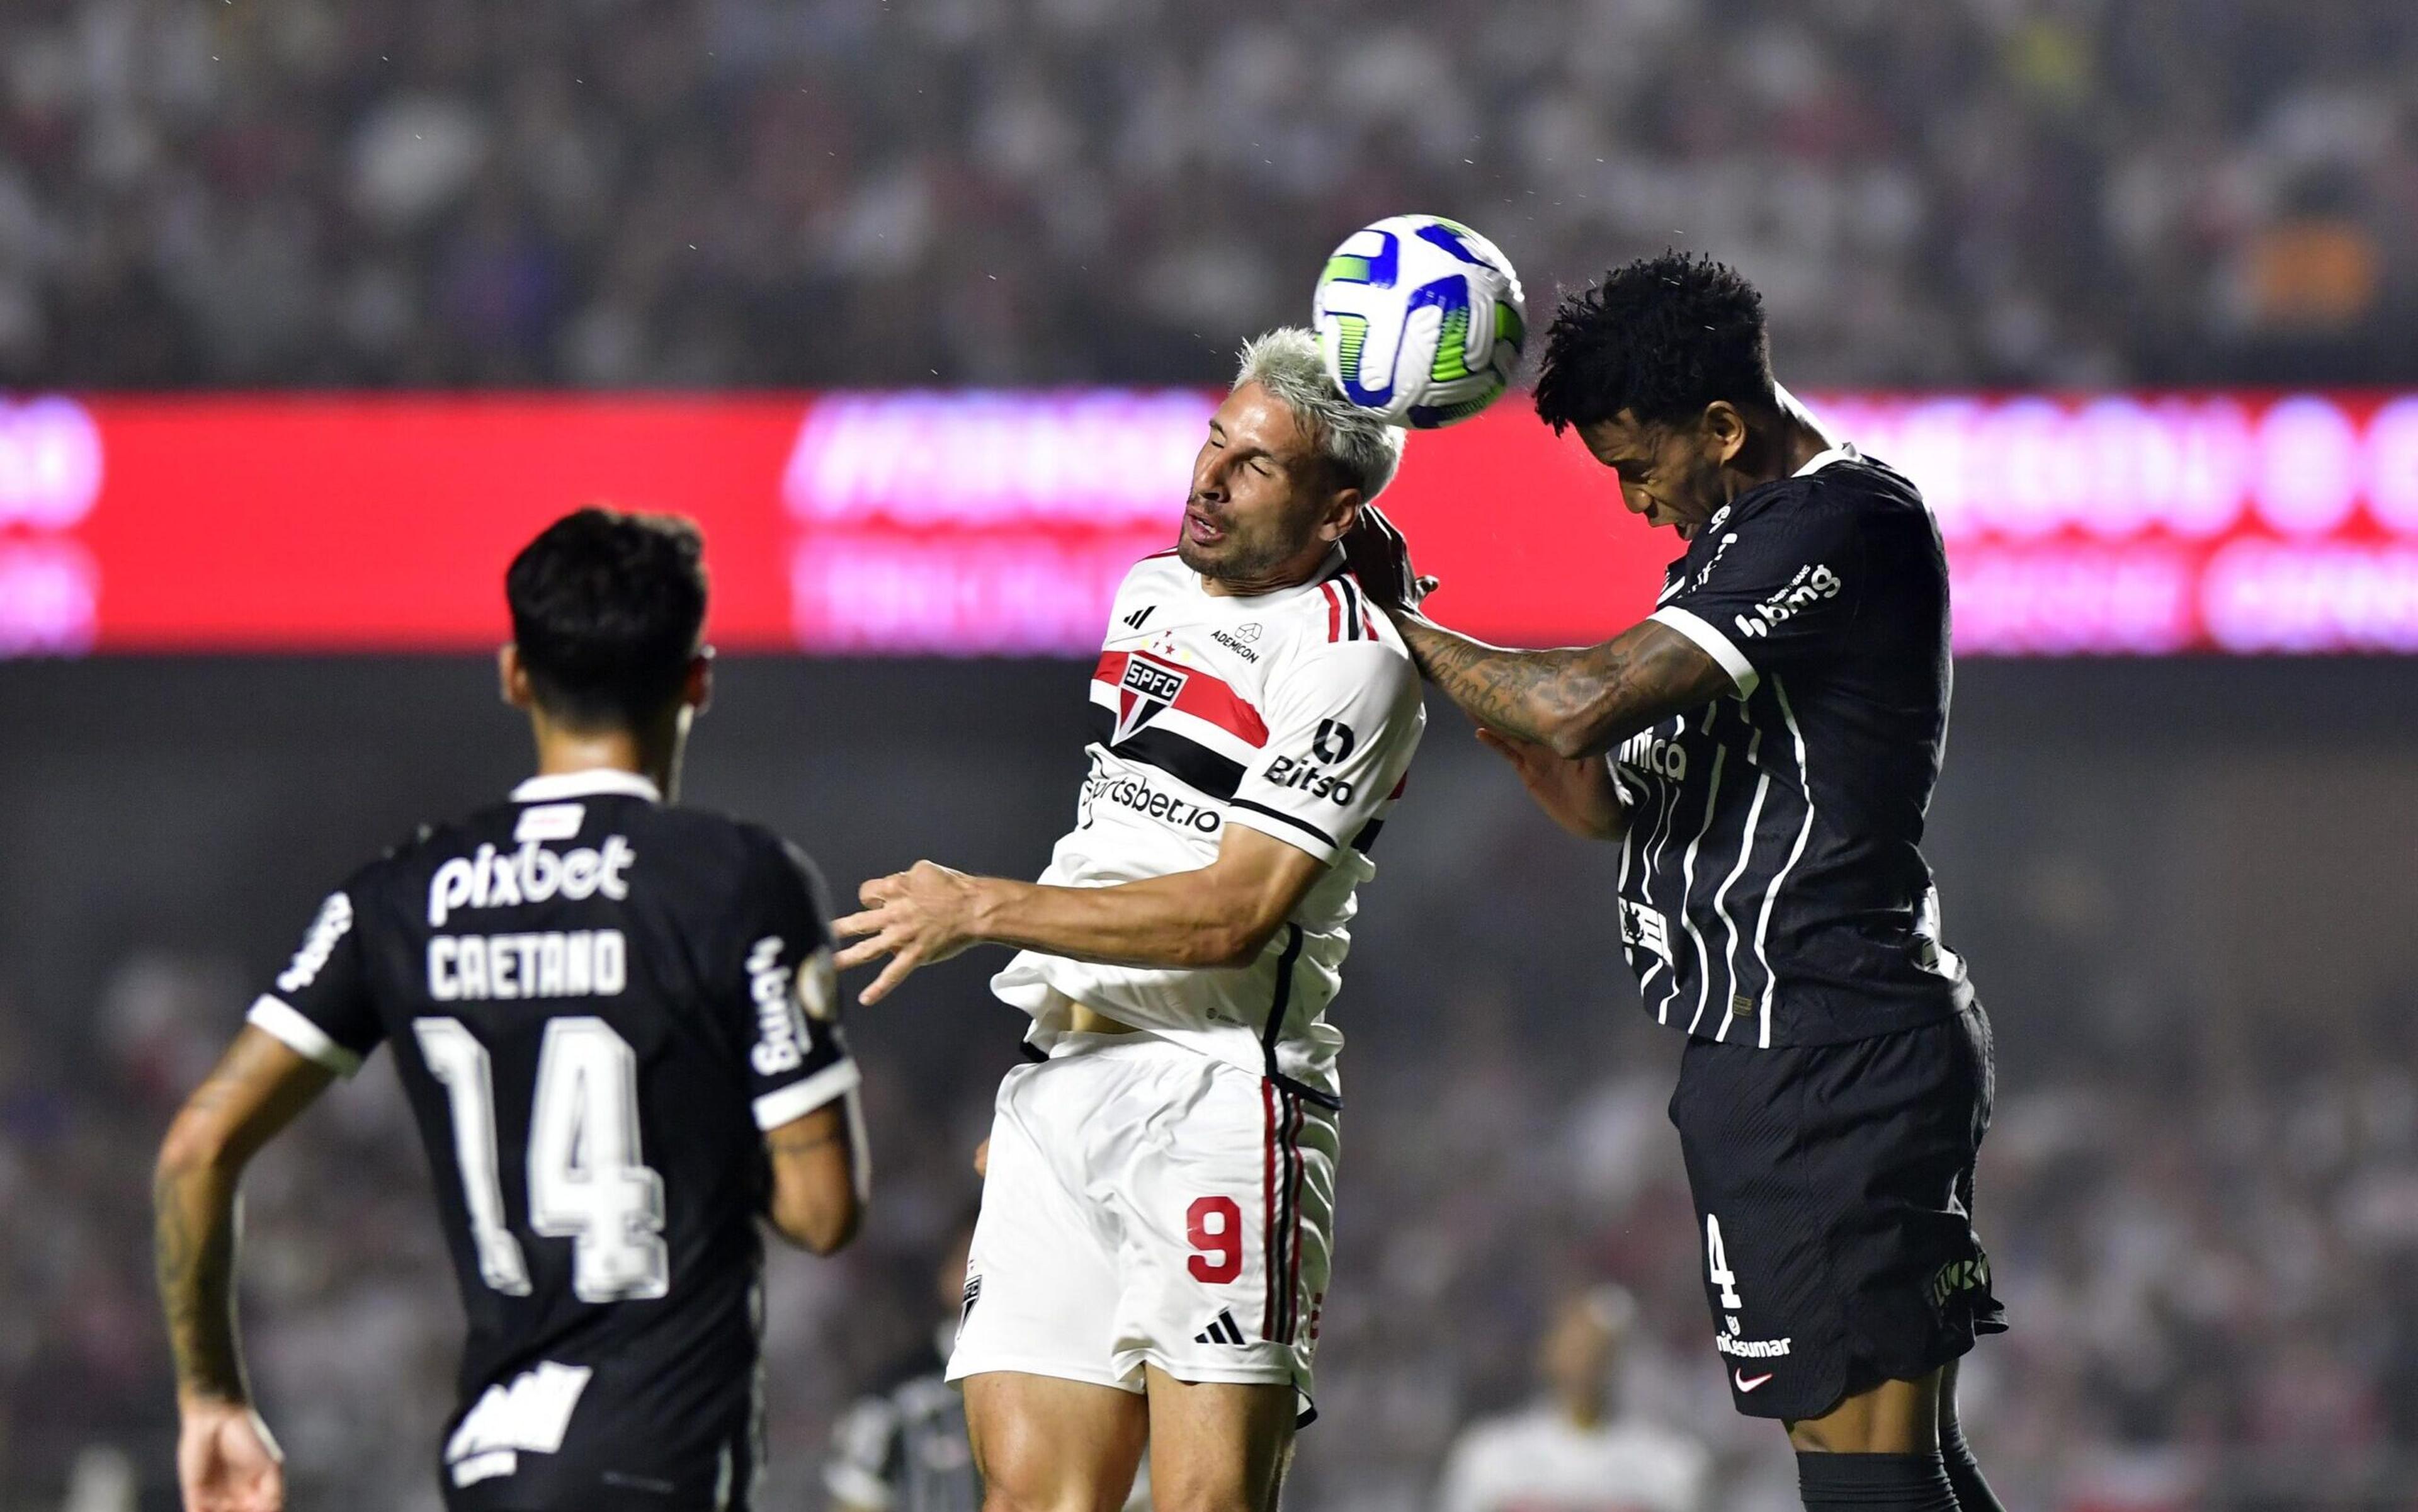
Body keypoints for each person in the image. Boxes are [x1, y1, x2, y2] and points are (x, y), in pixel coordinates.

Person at [1349, 253, 2006, 1512]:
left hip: (1828, 1043)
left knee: (1863, 1476)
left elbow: (1580, 699)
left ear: (1722, 425)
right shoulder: (1732, 551)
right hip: (1797, 1046)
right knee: (1904, 1465)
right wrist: (1586, 791)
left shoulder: (1841, 521)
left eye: (1641, 468)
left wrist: (1401, 618)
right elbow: (1618, 771)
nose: (1637, 503)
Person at [152, 508, 868, 1512]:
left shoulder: (397, 897)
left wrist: (212, 1398)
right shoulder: (734, 882)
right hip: (655, 1456)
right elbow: (822, 1211)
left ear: (515, 675)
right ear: (698, 677)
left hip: (493, 1459)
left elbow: (195, 1149)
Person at [833, 328, 1426, 1512]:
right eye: (1215, 440)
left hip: (1218, 1092)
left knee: (1200, 1503)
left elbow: (1233, 914)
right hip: (1064, 1085)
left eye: (1255, 465)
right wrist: (1059, 1057)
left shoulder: (1357, 663)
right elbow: (1127, 841)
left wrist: (987, 908)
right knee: (1030, 1499)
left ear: (1334, 508)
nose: (1207, 476)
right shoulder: (1150, 592)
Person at [1434, 1285, 1709, 1512]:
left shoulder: (1671, 1463)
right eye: (1577, 1342)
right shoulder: (1489, 1454)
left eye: (1601, 1347)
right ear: (1548, 1350)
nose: (1587, 1358)